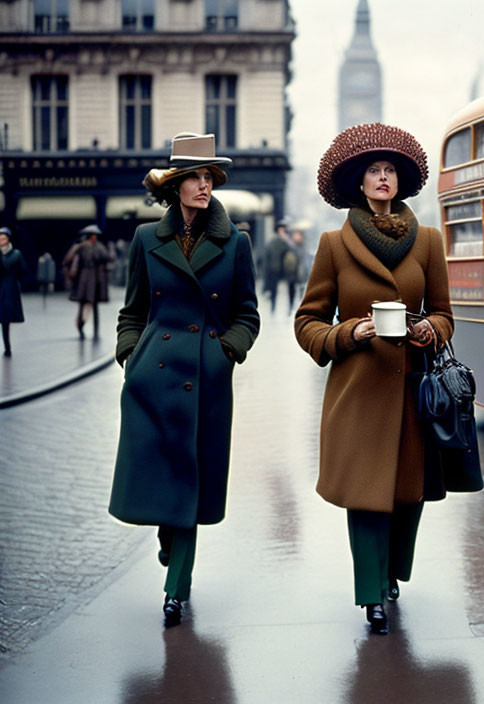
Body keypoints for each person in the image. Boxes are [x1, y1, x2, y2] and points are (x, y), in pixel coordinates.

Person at [294, 123, 453, 635]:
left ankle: (390, 576)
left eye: (390, 171)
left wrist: (431, 328)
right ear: (358, 184)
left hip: (413, 390)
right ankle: (371, 595)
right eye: (373, 171)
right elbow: (307, 321)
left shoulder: (428, 241)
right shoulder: (332, 245)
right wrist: (348, 332)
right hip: (358, 391)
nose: (383, 178)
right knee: (366, 497)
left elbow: (446, 314)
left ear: (400, 181)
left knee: (408, 495)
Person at [108, 132, 260, 627]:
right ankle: (168, 536)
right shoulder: (145, 240)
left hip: (206, 382)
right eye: (194, 177)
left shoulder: (235, 243)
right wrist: (131, 354)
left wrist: (225, 353)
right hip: (152, 379)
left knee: (190, 484)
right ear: (174, 186)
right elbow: (131, 310)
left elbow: (247, 314)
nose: (204, 186)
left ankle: (175, 590)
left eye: (209, 178)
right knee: (163, 483)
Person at [62, 224, 113, 339]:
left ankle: (92, 329)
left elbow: (105, 258)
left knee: (92, 304)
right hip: (86, 278)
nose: (94, 238)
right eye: (93, 236)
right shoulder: (84, 247)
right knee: (85, 304)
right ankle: (82, 326)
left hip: (93, 278)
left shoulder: (92, 246)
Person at [0, 226, 26, 357]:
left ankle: (7, 347)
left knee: (5, 319)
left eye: (3, 238)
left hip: (9, 288)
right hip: (1, 286)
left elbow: (21, 270)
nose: (1, 240)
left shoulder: (15, 254)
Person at [263, 218, 291, 314]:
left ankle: (287, 309)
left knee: (286, 290)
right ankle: (273, 308)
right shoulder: (273, 241)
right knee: (273, 290)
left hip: (285, 270)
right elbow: (269, 256)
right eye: (281, 229)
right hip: (274, 269)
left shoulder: (287, 241)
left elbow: (291, 252)